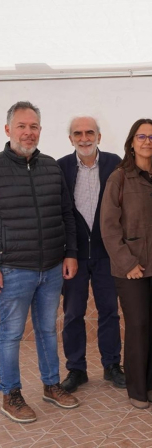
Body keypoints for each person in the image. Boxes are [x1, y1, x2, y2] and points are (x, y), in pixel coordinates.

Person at [0, 101, 80, 423]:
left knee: (47, 330)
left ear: (40, 130)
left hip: (51, 267)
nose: (28, 132)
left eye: (33, 126)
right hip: (13, 269)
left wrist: (70, 252)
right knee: (10, 334)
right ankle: (10, 394)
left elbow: (67, 214)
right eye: (21, 126)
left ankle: (51, 385)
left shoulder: (51, 167)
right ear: (8, 129)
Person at [100, 118, 152, 409]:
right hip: (131, 269)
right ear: (131, 142)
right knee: (138, 325)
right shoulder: (119, 177)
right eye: (141, 136)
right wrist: (127, 262)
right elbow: (108, 226)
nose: (147, 141)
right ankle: (136, 390)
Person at [57, 117, 125, 393]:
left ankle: (112, 365)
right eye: (78, 133)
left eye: (89, 132)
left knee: (109, 311)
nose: (84, 138)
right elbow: (61, 213)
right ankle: (76, 369)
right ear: (70, 138)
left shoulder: (114, 163)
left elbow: (122, 206)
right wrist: (67, 252)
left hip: (106, 252)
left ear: (99, 136)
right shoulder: (61, 167)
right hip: (73, 256)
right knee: (73, 313)